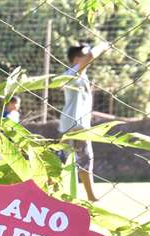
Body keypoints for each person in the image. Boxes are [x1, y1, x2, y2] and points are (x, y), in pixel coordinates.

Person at [59, 44, 101, 202]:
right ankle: (91, 197)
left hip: (73, 124)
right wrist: (103, 46)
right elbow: (91, 56)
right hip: (75, 126)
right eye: (84, 54)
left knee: (70, 160)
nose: (88, 56)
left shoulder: (78, 75)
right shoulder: (74, 73)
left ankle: (87, 196)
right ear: (76, 59)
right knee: (84, 159)